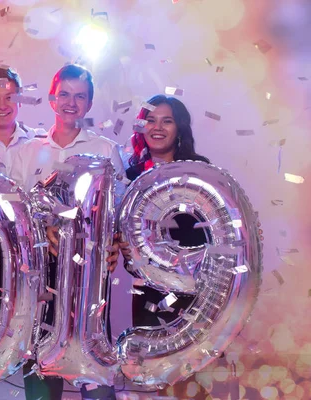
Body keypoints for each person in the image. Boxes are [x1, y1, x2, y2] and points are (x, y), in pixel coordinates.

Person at [9, 64, 125, 400]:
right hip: (40, 280)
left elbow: (118, 214)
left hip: (90, 283)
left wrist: (115, 242)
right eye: (65, 94)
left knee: (96, 379)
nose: (71, 102)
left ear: (89, 104)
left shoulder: (106, 151)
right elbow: (13, 215)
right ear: (51, 99)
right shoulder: (26, 153)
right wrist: (43, 229)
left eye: (80, 96)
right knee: (42, 376)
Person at [121, 94, 211, 400]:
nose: (157, 127)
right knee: (156, 379)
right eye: (150, 119)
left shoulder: (199, 170)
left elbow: (215, 233)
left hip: (191, 291)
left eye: (167, 120)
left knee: (190, 379)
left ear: (179, 128)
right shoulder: (131, 174)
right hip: (146, 292)